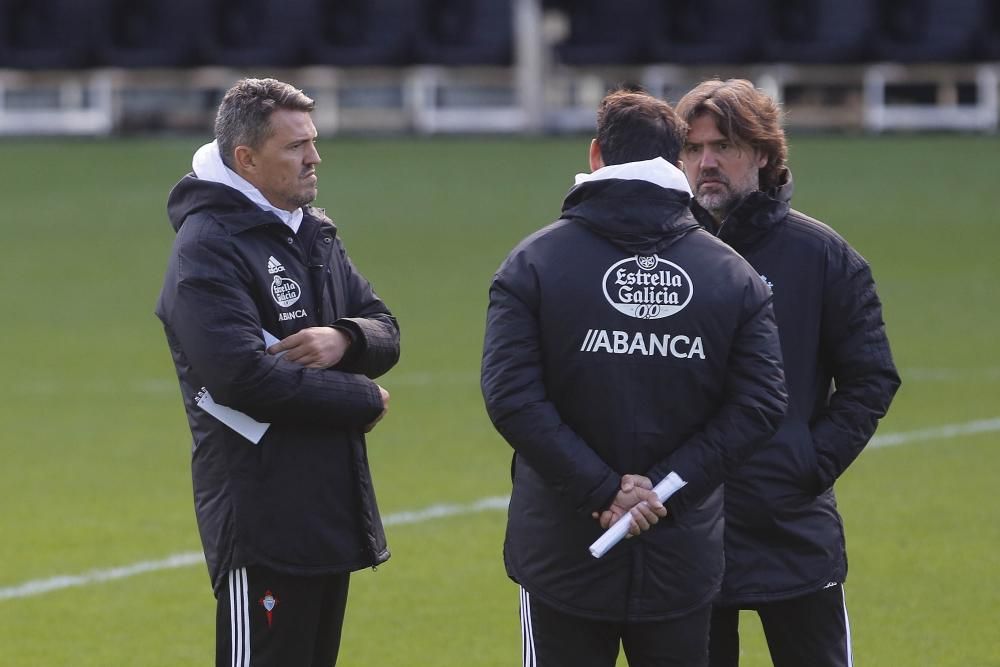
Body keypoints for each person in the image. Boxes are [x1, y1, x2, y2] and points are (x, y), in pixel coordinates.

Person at [480, 89, 788, 667]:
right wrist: (664, 488)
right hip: (681, 550)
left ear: (596, 155)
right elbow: (761, 404)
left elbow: (511, 397)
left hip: (561, 553)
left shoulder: (532, 263)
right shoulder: (732, 275)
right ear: (677, 163)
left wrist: (603, 491)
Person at [155, 78, 399, 667]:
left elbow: (384, 325)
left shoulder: (310, 227)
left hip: (325, 510)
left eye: (312, 141)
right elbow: (240, 378)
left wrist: (345, 337)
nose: (314, 157)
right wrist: (361, 398)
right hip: (260, 518)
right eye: (296, 146)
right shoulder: (207, 248)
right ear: (246, 158)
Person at [675, 78, 901, 667]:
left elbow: (871, 378)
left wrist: (808, 462)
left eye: (724, 145)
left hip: (791, 527)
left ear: (766, 154)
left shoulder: (823, 256)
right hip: (688, 530)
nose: (707, 162)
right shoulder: (660, 258)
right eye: (694, 148)